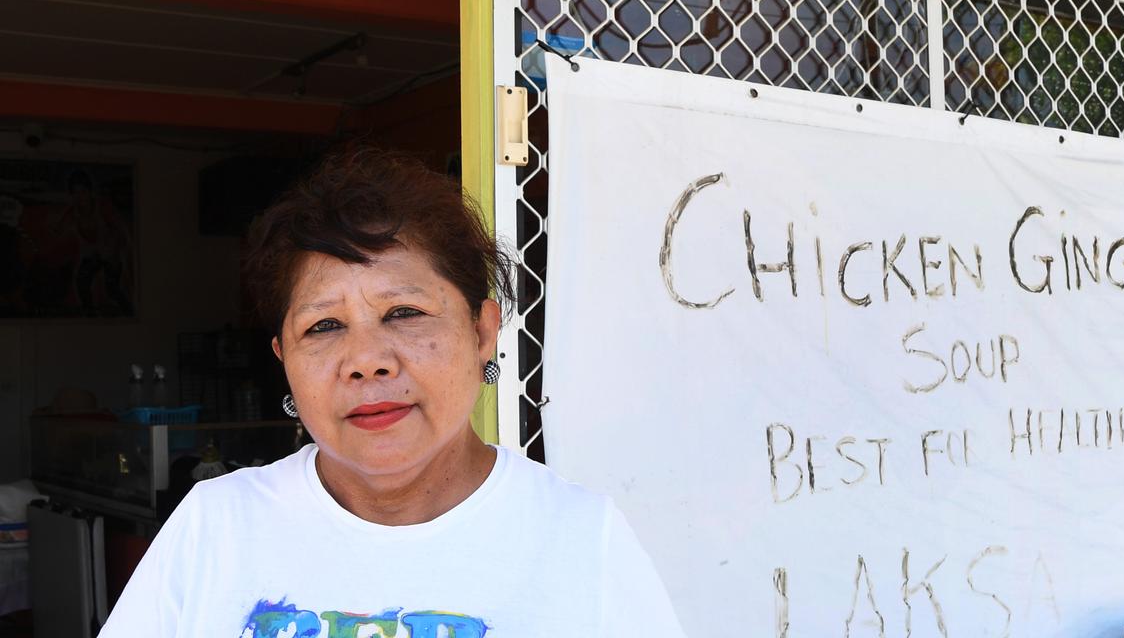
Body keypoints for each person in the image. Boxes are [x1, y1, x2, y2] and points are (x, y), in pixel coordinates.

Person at [98, 147, 687, 638]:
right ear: (285, 361)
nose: (367, 362)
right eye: (323, 326)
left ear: (482, 331)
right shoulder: (216, 526)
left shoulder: (582, 537)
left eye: (404, 312)